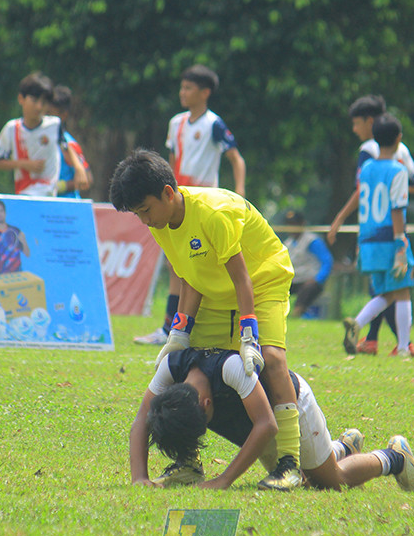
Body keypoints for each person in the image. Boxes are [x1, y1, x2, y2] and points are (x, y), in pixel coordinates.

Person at [110, 149, 301, 491]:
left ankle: (290, 465)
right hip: (215, 289)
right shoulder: (160, 222)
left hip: (261, 281)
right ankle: (188, 463)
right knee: (190, 368)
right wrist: (180, 333)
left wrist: (248, 334)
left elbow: (242, 278)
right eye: (138, 214)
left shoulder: (214, 213)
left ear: (168, 193)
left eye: (145, 210)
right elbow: (191, 276)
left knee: (272, 359)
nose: (145, 221)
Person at [130, 347, 414, 493]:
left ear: (207, 404)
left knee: (330, 480)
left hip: (290, 408)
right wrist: (139, 477)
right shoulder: (172, 367)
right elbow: (143, 417)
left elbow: (268, 425)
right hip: (255, 424)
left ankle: (394, 457)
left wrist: (223, 480)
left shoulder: (231, 368)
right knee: (306, 476)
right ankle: (343, 447)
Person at [135, 64, 247, 347]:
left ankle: (188, 325)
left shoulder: (214, 124)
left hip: (203, 202)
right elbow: (171, 164)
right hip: (176, 199)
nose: (182, 93)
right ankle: (170, 327)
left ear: (205, 92)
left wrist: (240, 192)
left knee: (200, 264)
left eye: (188, 88)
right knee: (177, 264)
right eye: (182, 87)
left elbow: (236, 159)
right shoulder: (176, 123)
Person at [330, 95, 414, 355]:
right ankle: (403, 347)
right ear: (399, 138)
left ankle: (358, 325)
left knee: (385, 292)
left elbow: (361, 194)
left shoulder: (368, 166)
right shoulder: (398, 170)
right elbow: (397, 207)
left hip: (369, 238)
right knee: (402, 291)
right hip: (391, 237)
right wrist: (400, 242)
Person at [0, 72, 87, 198]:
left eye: (44, 102)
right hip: (25, 195)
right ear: (21, 99)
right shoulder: (11, 129)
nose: (39, 107)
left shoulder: (54, 125)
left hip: (49, 196)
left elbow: (65, 146)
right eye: (34, 100)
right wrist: (24, 164)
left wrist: (79, 168)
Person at [281, 210, 333, 318]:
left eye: (294, 224)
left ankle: (297, 313)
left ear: (302, 224)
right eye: (289, 225)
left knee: (307, 290)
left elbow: (327, 261)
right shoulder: (288, 243)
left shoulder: (312, 241)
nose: (291, 228)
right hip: (294, 279)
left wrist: (318, 279)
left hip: (310, 280)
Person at [47, 85, 93, 199]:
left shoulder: (68, 143)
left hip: (66, 204)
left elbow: (87, 179)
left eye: (50, 114)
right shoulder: (39, 139)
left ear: (63, 115)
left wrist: (60, 186)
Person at [0, 199, 30, 275]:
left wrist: (24, 241)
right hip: (0, 275)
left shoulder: (15, 231)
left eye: (1, 211)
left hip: (17, 274)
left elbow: (27, 254)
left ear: (5, 212)